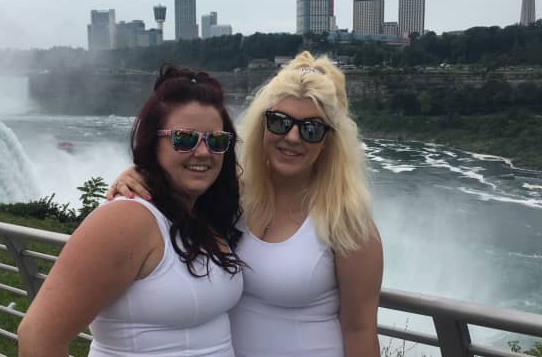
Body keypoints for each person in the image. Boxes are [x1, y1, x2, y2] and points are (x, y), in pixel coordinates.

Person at [110, 52, 384, 357]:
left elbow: (360, 330)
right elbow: (175, 188)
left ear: (328, 143)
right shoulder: (229, 197)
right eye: (279, 122)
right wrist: (140, 175)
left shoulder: (346, 221)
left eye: (311, 129)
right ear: (262, 127)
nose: (292, 137)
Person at [18, 66, 245, 357]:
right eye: (184, 139)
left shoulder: (206, 213)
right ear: (153, 143)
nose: (202, 152)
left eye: (215, 140)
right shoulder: (126, 219)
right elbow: (38, 337)